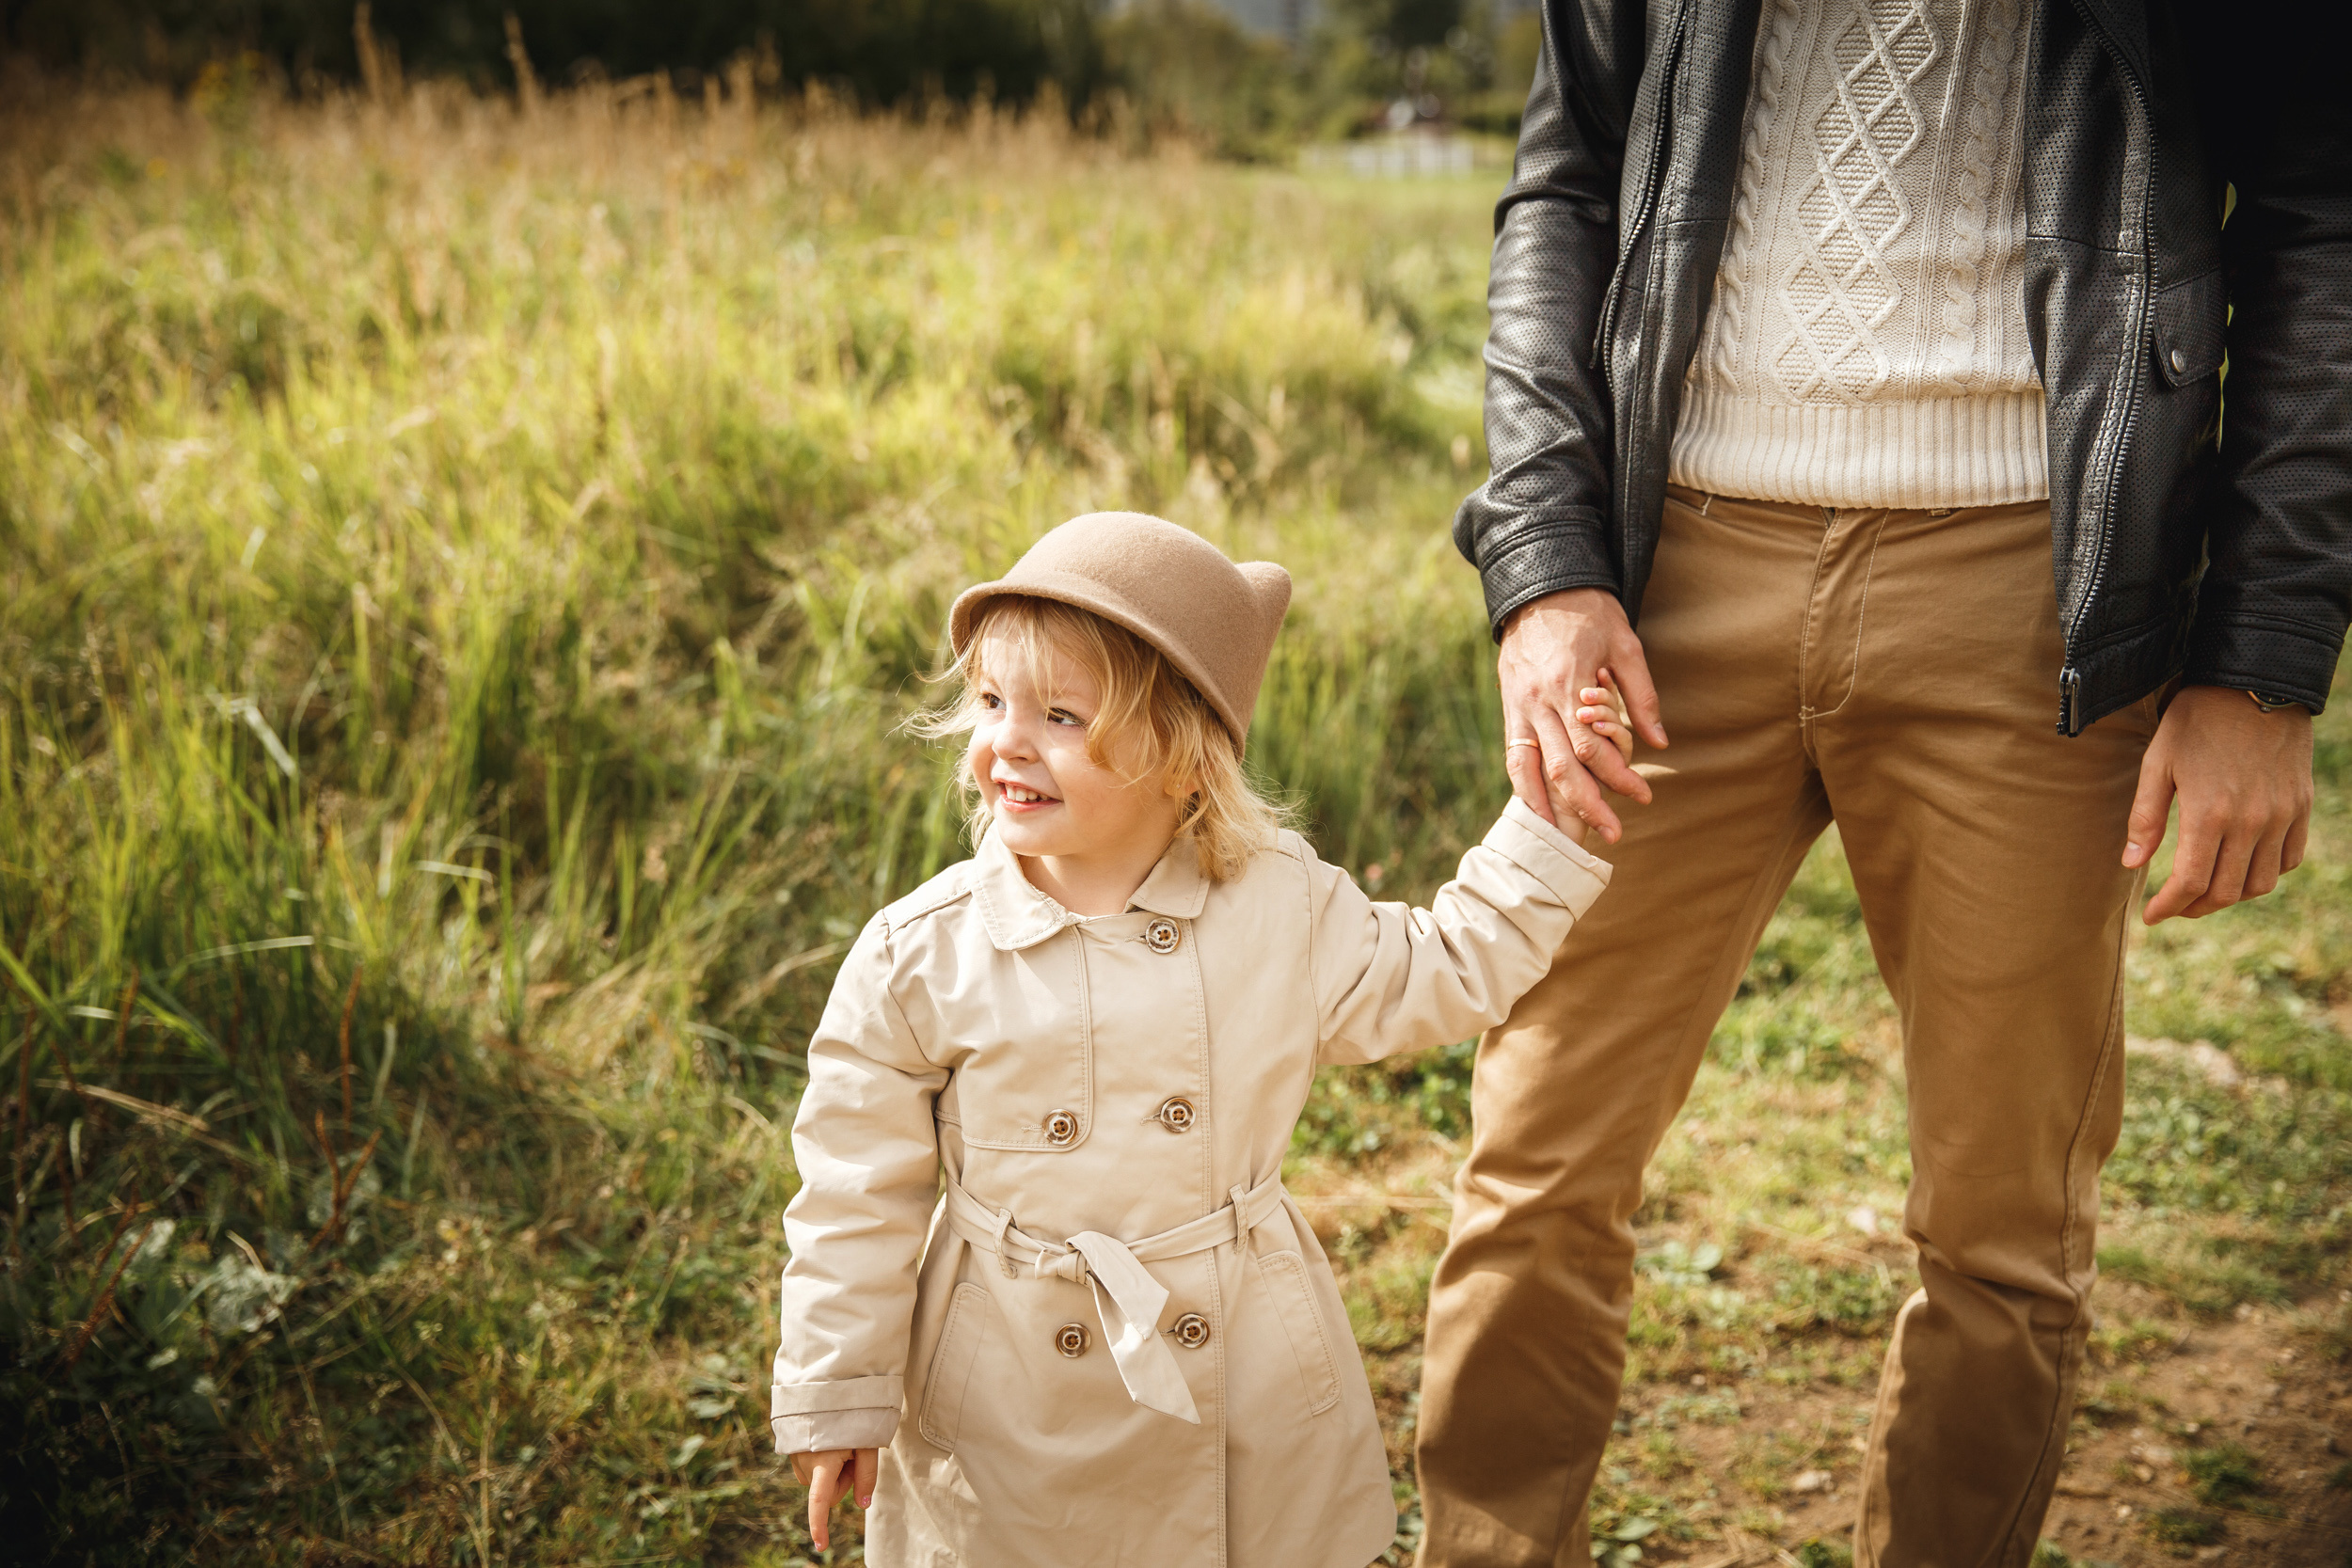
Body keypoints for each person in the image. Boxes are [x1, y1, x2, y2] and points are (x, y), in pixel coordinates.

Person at [1415, 2, 2348, 1564]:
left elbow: (2323, 228)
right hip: (1666, 577)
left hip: (2035, 582)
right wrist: (1545, 560)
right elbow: (1565, 184)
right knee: (1537, 1158)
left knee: (2003, 1231)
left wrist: (2259, 662)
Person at [768, 512, 1629, 1566]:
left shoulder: (1278, 908)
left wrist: (1548, 827)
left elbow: (1447, 965)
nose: (1007, 741)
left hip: (1234, 1363)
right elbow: (856, 1190)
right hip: (1008, 1385)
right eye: (992, 700)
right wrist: (841, 1390)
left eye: (1062, 715)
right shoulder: (921, 955)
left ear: (1184, 755)